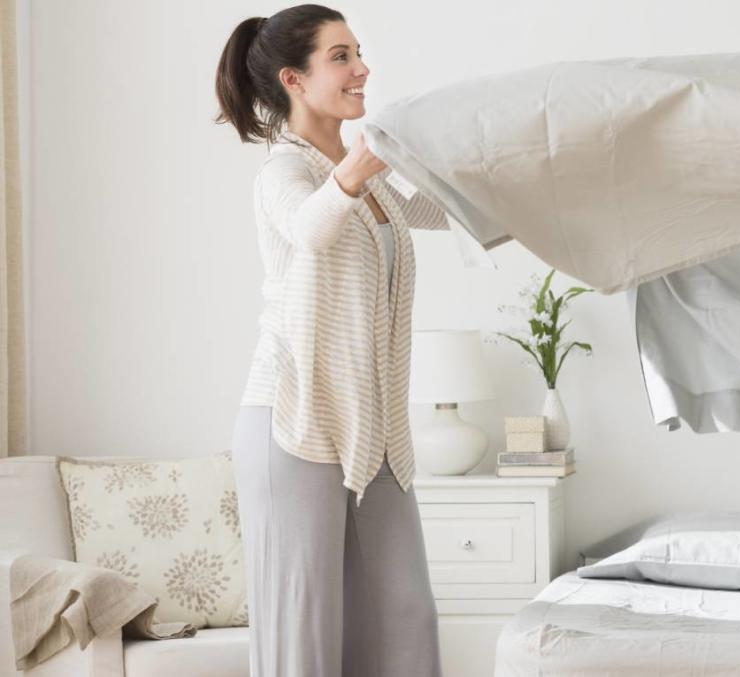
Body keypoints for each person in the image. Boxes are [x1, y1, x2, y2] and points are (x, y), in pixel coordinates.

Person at [213, 5, 448, 675]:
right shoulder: (284, 175)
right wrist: (357, 167)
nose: (362, 68)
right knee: (305, 631)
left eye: (359, 52)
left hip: (372, 431)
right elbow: (312, 229)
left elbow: (449, 208)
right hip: (292, 422)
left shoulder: (369, 177)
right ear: (294, 78)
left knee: (407, 616)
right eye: (341, 56)